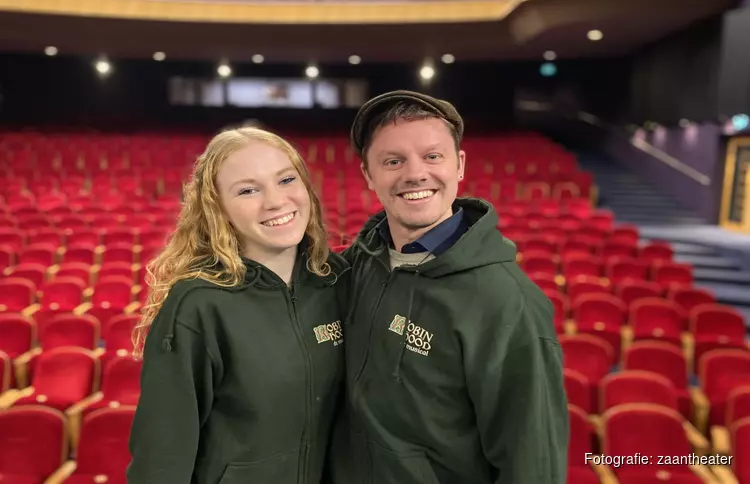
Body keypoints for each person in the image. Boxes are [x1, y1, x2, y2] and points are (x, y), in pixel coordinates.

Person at [331, 90, 569, 483]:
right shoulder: (359, 266)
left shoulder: (507, 302)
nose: (414, 173)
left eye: (432, 156)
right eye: (393, 161)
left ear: (459, 165)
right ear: (368, 175)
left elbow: (532, 465)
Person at [127, 126, 349, 484]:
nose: (275, 201)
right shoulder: (198, 306)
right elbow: (161, 458)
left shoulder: (338, 280)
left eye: (286, 180)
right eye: (248, 190)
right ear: (218, 209)